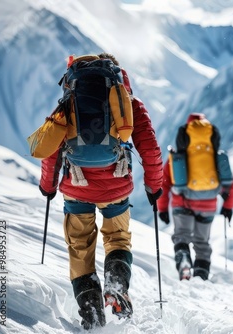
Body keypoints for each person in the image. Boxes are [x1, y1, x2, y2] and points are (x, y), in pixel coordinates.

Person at [39, 53, 163, 329]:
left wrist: (47, 186)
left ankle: (91, 312)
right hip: (116, 188)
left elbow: (50, 151)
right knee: (118, 239)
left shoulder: (68, 103)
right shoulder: (129, 104)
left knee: (80, 250)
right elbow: (151, 149)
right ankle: (116, 285)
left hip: (77, 186)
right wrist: (154, 187)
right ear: (116, 74)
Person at [157, 113, 233, 281]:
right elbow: (230, 184)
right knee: (202, 243)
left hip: (182, 203)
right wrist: (228, 206)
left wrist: (162, 208)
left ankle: (184, 262)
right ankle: (201, 276)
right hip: (208, 204)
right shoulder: (215, 157)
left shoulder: (178, 159)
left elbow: (164, 183)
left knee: (181, 236)